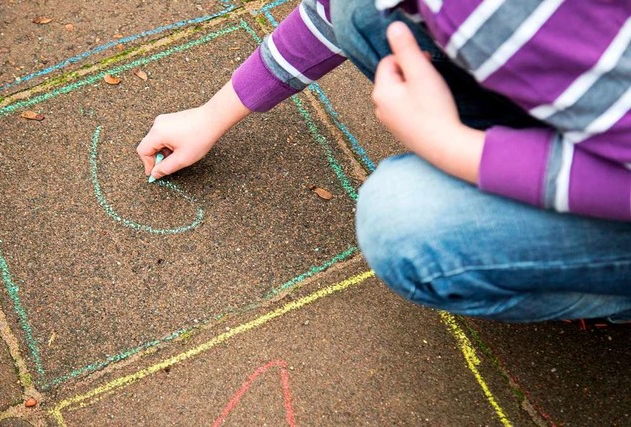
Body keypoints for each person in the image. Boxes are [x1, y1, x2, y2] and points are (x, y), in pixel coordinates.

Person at [137, 0, 631, 323]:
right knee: (364, 14)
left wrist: (451, 145)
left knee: (404, 222)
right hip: (600, 89)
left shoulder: (504, 15)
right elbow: (336, 10)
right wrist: (212, 114)